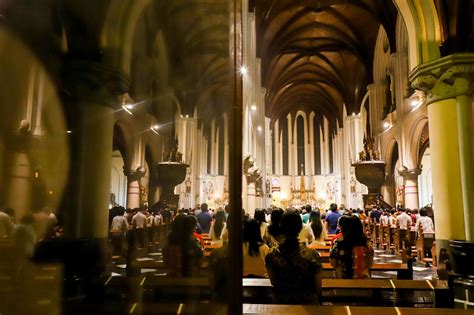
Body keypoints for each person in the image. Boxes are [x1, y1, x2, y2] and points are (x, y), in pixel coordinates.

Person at [265, 210, 322, 304]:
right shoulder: (312, 254)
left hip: (282, 304)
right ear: (300, 228)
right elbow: (317, 286)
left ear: (281, 227)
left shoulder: (272, 254)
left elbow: (273, 281)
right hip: (307, 303)